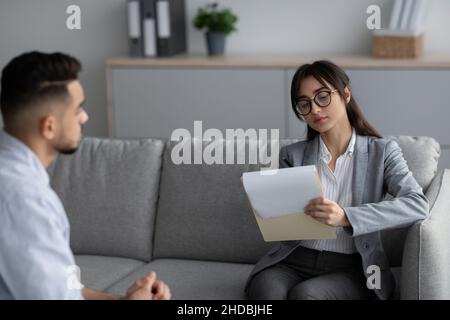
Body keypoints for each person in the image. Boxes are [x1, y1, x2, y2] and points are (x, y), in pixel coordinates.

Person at [246, 60, 429, 300]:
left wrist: (346, 217)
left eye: (322, 96)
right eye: (305, 104)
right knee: (267, 294)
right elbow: (286, 227)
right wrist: (272, 212)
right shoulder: (292, 155)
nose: (314, 110)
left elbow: (417, 205)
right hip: (293, 260)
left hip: (352, 266)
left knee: (306, 296)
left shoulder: (382, 152)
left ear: (346, 94)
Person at [0, 51, 171, 300]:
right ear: (49, 126)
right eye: (77, 109)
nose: (85, 117)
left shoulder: (15, 178)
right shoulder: (25, 201)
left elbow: (65, 290)